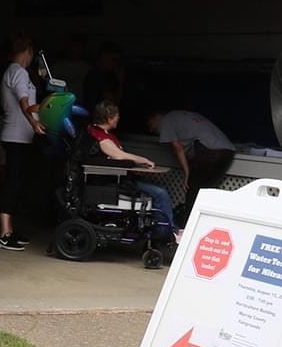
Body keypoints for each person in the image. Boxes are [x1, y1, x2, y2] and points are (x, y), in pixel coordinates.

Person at [87, 100, 180, 243]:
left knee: (158, 188)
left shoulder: (104, 134)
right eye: (117, 116)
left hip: (121, 179)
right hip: (113, 183)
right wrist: (143, 160)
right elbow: (119, 156)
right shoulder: (101, 138)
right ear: (109, 118)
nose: (118, 118)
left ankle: (170, 228)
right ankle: (167, 232)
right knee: (160, 193)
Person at [0, 34, 45, 250]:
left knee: (17, 181)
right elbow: (24, 102)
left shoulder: (15, 72)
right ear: (29, 52)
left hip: (19, 137)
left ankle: (10, 228)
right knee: (13, 182)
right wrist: (34, 123)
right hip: (16, 136)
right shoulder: (19, 72)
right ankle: (5, 233)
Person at [146, 109, 235, 212]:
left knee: (193, 190)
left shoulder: (166, 120)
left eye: (150, 124)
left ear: (157, 117)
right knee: (206, 192)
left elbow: (178, 148)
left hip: (209, 151)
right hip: (228, 152)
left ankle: (188, 219)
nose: (151, 130)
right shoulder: (186, 115)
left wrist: (187, 173)